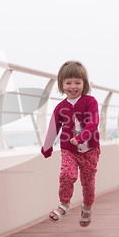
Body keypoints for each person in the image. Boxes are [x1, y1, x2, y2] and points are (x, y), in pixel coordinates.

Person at [41, 61, 101, 227]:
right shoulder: (60, 107)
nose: (73, 87)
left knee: (88, 184)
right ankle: (65, 205)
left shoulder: (90, 102)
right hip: (69, 150)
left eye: (77, 82)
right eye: (68, 83)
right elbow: (53, 127)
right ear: (61, 85)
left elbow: (93, 122)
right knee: (67, 175)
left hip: (90, 150)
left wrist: (82, 137)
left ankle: (87, 208)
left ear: (84, 84)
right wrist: (47, 147)